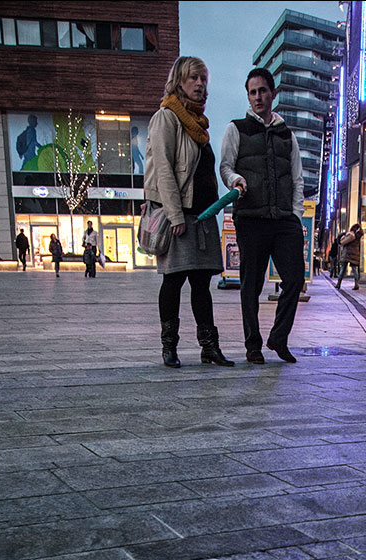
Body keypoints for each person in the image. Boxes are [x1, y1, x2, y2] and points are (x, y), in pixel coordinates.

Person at [144, 55, 233, 368]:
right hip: (180, 216)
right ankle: (169, 347)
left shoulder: (198, 124)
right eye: (193, 78)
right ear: (179, 82)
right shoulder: (167, 117)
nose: (200, 84)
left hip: (204, 216)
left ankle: (209, 348)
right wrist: (175, 216)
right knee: (173, 281)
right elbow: (164, 170)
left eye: (203, 79)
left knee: (201, 285)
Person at [220, 67, 305, 364]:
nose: (258, 97)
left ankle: (278, 338)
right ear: (248, 96)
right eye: (253, 92)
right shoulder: (237, 129)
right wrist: (235, 181)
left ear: (272, 93)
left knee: (294, 279)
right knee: (251, 286)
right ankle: (252, 344)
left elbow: (297, 179)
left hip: (283, 221)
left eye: (263, 91)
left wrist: (295, 215)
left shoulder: (287, 135)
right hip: (251, 219)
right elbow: (226, 167)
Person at [336, 223, 364, 290]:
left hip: (347, 253)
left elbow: (343, 242)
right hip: (355, 254)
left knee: (343, 269)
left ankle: (338, 283)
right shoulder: (359, 236)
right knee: (354, 269)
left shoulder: (351, 235)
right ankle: (356, 284)